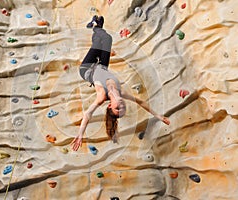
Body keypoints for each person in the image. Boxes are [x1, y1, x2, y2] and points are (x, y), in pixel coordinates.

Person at [71, 16, 170, 151]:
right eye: (123, 110)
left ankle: (95, 26)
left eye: (117, 109)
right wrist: (158, 115)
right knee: (105, 40)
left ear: (110, 105)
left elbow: (88, 114)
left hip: (87, 69)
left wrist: (80, 134)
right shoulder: (121, 93)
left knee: (102, 42)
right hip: (102, 66)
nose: (121, 107)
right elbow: (141, 102)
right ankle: (96, 25)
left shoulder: (101, 96)